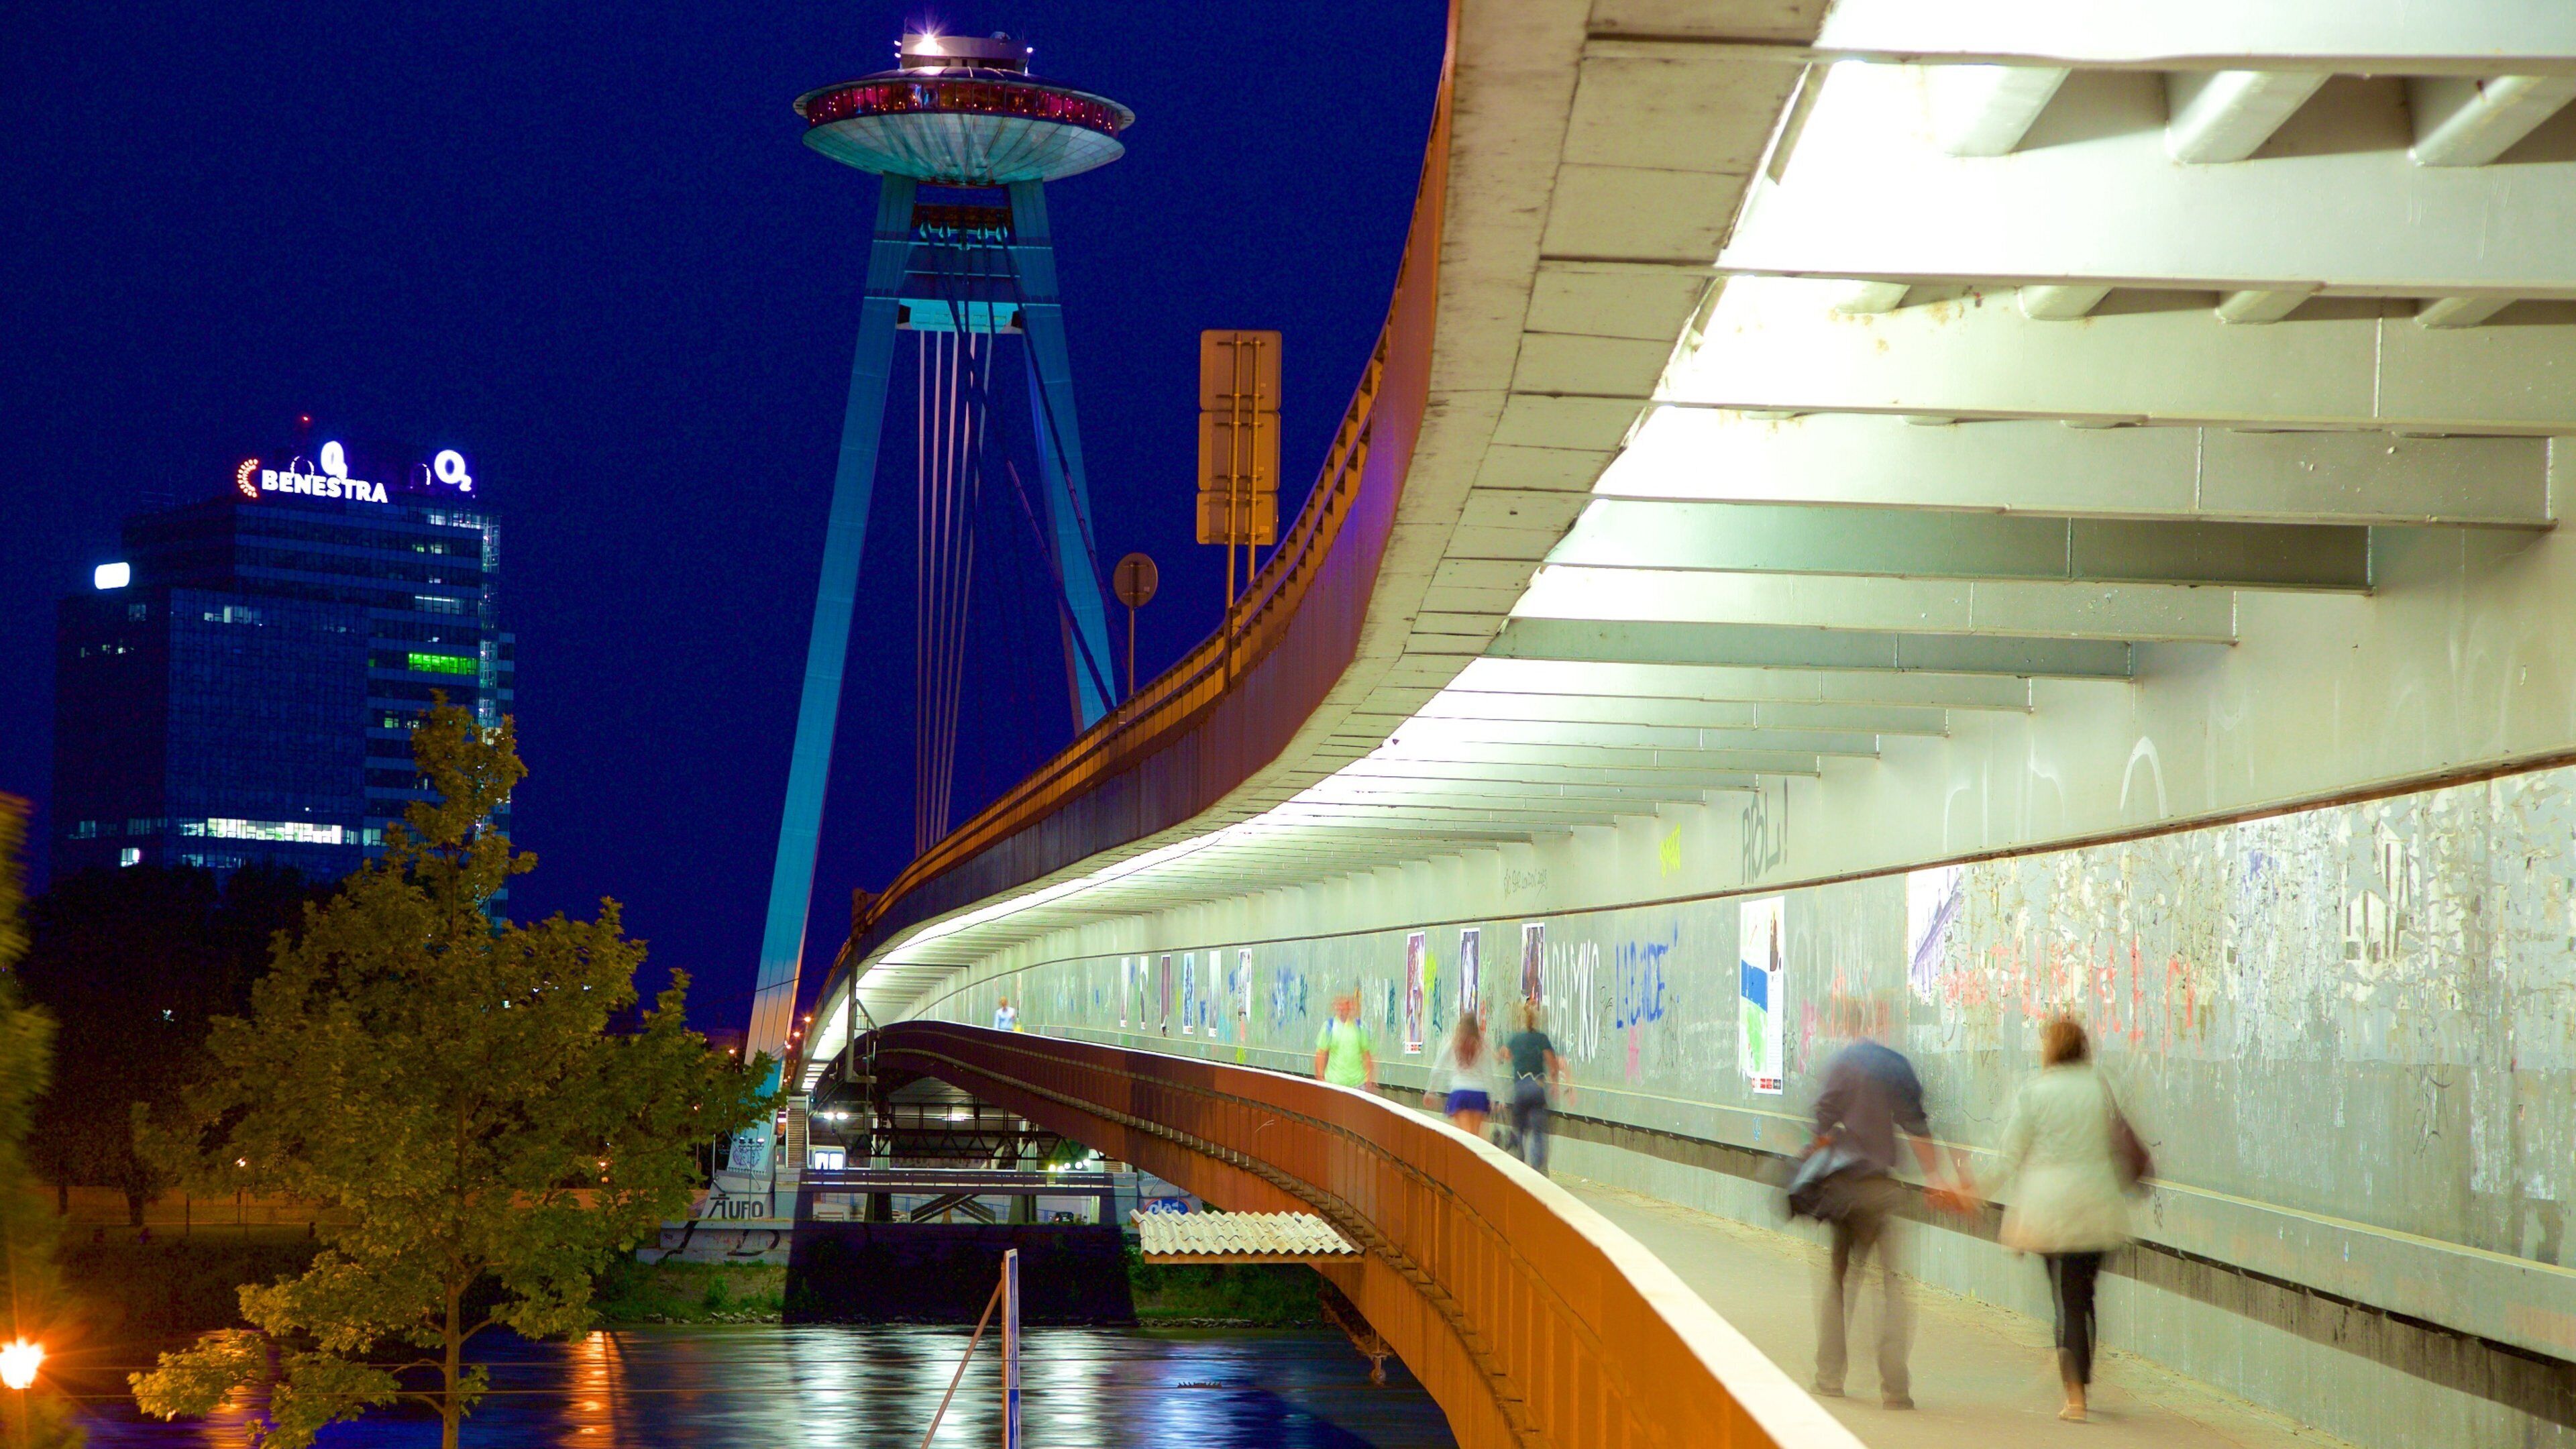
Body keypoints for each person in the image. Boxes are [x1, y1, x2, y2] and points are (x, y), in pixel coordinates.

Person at [1808, 1021, 1970, 1411]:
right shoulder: (1895, 1065)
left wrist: (1816, 1171)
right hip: (1880, 1191)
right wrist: (1934, 1176)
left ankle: (1829, 1377)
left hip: (1845, 1190)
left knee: (1839, 1282)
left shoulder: (1843, 1064)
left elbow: (1821, 1125)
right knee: (1892, 1287)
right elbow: (1916, 1126)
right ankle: (1895, 1387)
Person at [1982, 1016, 2135, 1423]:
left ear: (2050, 1049)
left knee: (2065, 1300)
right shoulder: (2100, 1087)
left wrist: (1976, 1190)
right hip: (2099, 1209)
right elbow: (2118, 1146)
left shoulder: (2036, 1092)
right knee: (2082, 1296)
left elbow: (2010, 1154)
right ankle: (2081, 1379)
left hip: (2053, 1213)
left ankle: (2075, 1396)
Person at [1501, 1001, 1565, 1175]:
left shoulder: (1515, 1039)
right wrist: (1555, 1085)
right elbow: (1552, 1065)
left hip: (1520, 1088)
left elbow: (1506, 1055)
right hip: (1537, 1087)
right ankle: (1538, 1169)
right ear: (1536, 1020)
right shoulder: (1541, 1039)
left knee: (1519, 1128)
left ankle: (1518, 1161)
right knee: (1538, 1130)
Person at [1424, 1010, 1492, 1136]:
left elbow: (1438, 1067)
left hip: (1460, 1092)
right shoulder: (1482, 1044)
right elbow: (1488, 1072)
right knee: (1475, 1136)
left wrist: (1431, 1090)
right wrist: (1495, 1097)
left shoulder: (1454, 1042)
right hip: (1479, 1094)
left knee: (1465, 1136)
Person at [1312, 991, 1376, 1089]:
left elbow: (1366, 1054)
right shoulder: (1329, 1026)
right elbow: (1320, 1053)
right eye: (1339, 1005)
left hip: (1358, 1084)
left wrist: (1368, 1078)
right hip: (1334, 1085)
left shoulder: (1361, 1027)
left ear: (1351, 1006)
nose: (1341, 1008)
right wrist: (1320, 1077)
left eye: (1345, 1004)